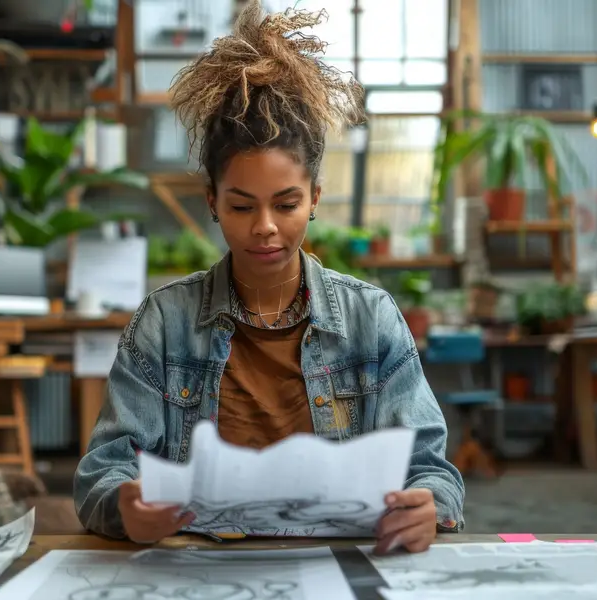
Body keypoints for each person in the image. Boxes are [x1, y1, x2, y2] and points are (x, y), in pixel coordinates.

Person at [74, 0, 465, 554]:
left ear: (314, 200)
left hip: (339, 568)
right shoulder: (165, 322)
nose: (264, 228)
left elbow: (432, 471)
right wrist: (126, 509)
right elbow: (100, 478)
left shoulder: (369, 318)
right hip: (200, 574)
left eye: (286, 204)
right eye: (240, 206)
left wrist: (429, 507)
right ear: (211, 201)